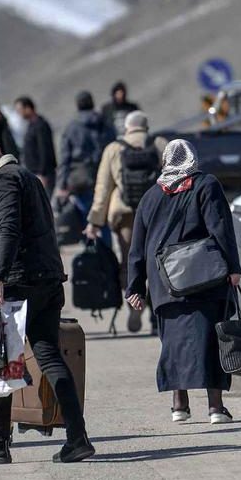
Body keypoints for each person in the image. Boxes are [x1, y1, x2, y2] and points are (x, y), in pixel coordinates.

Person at [0, 132, 95, 465]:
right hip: (46, 280)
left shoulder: (5, 180)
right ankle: (77, 438)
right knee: (48, 356)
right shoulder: (28, 178)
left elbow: (9, 229)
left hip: (19, 283)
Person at [125, 139, 241, 424]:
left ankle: (179, 406)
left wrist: (135, 286)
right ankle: (215, 408)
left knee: (173, 343)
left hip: (165, 283)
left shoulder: (151, 196)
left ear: (166, 161)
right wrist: (233, 267)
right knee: (212, 340)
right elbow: (220, 227)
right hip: (205, 279)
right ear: (192, 158)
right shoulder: (206, 185)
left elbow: (138, 246)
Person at [84, 110, 166, 333]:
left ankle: (135, 304)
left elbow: (103, 188)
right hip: (156, 213)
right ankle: (156, 315)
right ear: (146, 126)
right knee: (158, 262)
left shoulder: (113, 148)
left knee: (130, 262)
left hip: (125, 214)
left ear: (127, 127)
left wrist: (94, 222)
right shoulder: (159, 144)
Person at [58, 91, 114, 240]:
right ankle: (106, 250)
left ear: (77, 105)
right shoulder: (105, 124)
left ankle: (90, 249)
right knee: (103, 217)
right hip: (104, 176)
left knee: (86, 218)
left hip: (80, 180)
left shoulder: (71, 127)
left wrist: (62, 184)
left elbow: (65, 158)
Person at [14, 96, 57, 192]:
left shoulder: (40, 125)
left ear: (28, 108)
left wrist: (42, 173)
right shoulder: (31, 125)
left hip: (43, 174)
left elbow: (44, 150)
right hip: (34, 173)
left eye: (20, 110)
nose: (19, 114)